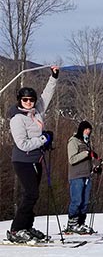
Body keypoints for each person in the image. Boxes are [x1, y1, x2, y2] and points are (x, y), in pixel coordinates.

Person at [6, 66, 59, 243]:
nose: (29, 102)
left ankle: (27, 226)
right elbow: (22, 144)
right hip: (23, 160)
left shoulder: (36, 112)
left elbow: (47, 95)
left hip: (36, 159)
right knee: (31, 194)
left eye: (31, 100)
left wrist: (54, 77)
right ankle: (16, 229)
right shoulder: (17, 119)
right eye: (25, 100)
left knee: (33, 194)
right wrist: (44, 139)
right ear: (19, 101)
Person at [65, 121, 102, 234]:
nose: (88, 132)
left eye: (89, 130)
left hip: (87, 175)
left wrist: (95, 167)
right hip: (76, 176)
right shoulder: (73, 142)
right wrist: (86, 153)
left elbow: (89, 160)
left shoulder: (87, 143)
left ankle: (81, 223)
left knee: (85, 202)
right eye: (86, 129)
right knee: (77, 200)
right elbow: (72, 159)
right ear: (81, 129)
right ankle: (72, 223)